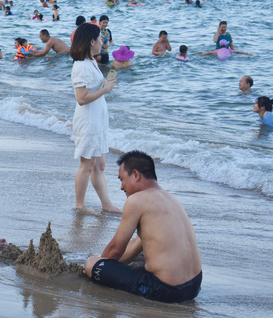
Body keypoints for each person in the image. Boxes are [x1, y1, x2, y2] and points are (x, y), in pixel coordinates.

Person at [85, 151, 202, 303]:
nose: (121, 187)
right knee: (139, 252)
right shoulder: (171, 199)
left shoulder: (136, 201)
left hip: (166, 290)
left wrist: (100, 265)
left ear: (135, 175)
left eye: (122, 180)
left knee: (91, 263)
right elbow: (136, 244)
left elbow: (115, 249)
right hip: (193, 287)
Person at [70, 23, 121, 213]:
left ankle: (106, 204)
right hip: (88, 121)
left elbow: (92, 91)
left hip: (97, 120)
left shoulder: (91, 61)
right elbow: (81, 98)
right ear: (91, 41)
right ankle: (79, 204)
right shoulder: (81, 66)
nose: (102, 41)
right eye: (100, 38)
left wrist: (104, 85)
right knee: (87, 164)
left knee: (100, 164)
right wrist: (105, 89)